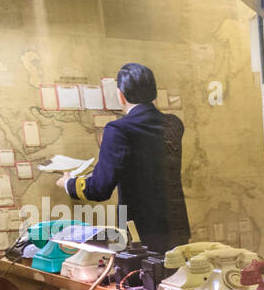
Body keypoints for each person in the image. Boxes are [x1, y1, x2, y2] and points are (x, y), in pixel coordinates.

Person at [57, 63, 191, 254]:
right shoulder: (174, 124)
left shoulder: (119, 130)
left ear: (121, 95)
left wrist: (69, 183)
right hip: (177, 231)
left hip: (142, 236)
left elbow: (99, 189)